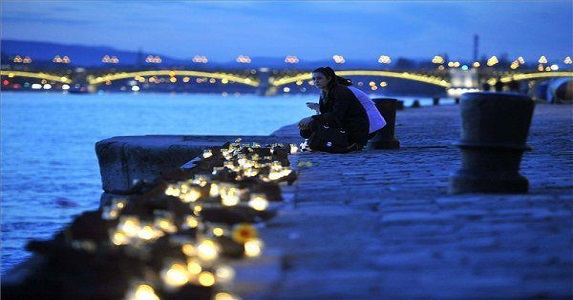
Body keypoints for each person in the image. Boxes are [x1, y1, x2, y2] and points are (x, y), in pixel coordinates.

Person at [299, 67, 384, 152]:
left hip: (363, 128)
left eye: (319, 78)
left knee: (314, 126)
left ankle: (350, 144)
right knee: (308, 129)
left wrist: (312, 118)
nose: (316, 81)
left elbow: (337, 115)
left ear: (329, 79)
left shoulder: (341, 91)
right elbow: (331, 114)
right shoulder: (326, 92)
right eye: (313, 79)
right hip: (349, 125)